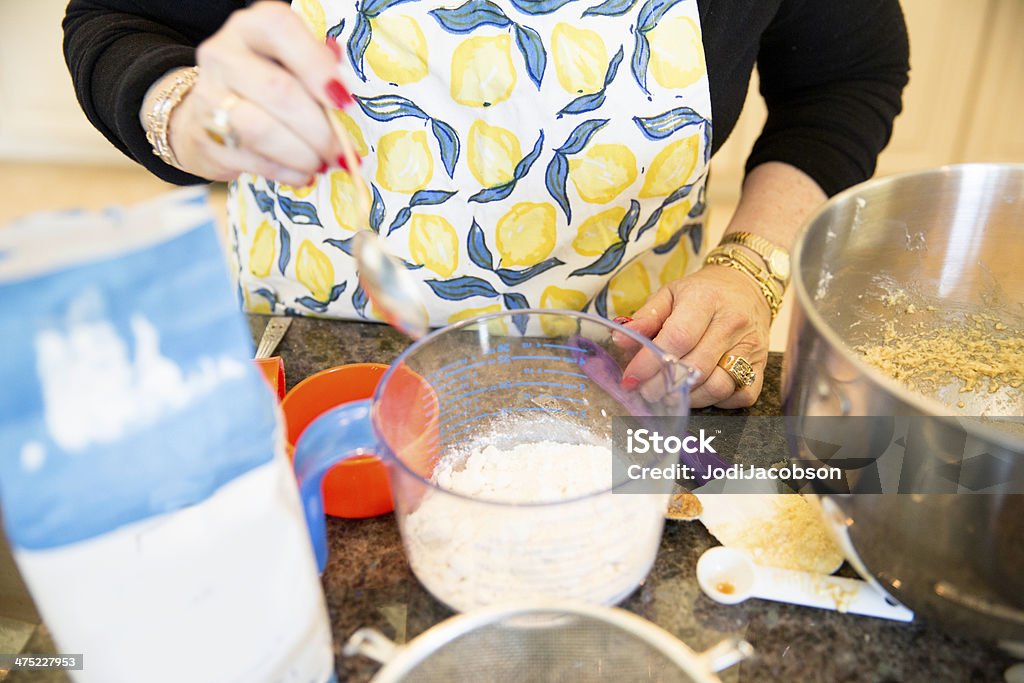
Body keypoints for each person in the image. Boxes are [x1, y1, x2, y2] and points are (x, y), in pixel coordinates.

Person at [62, 0, 909, 408]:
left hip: (633, 373)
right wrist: (184, 110)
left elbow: (846, 73)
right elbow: (115, 20)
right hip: (327, 383)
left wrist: (750, 266)